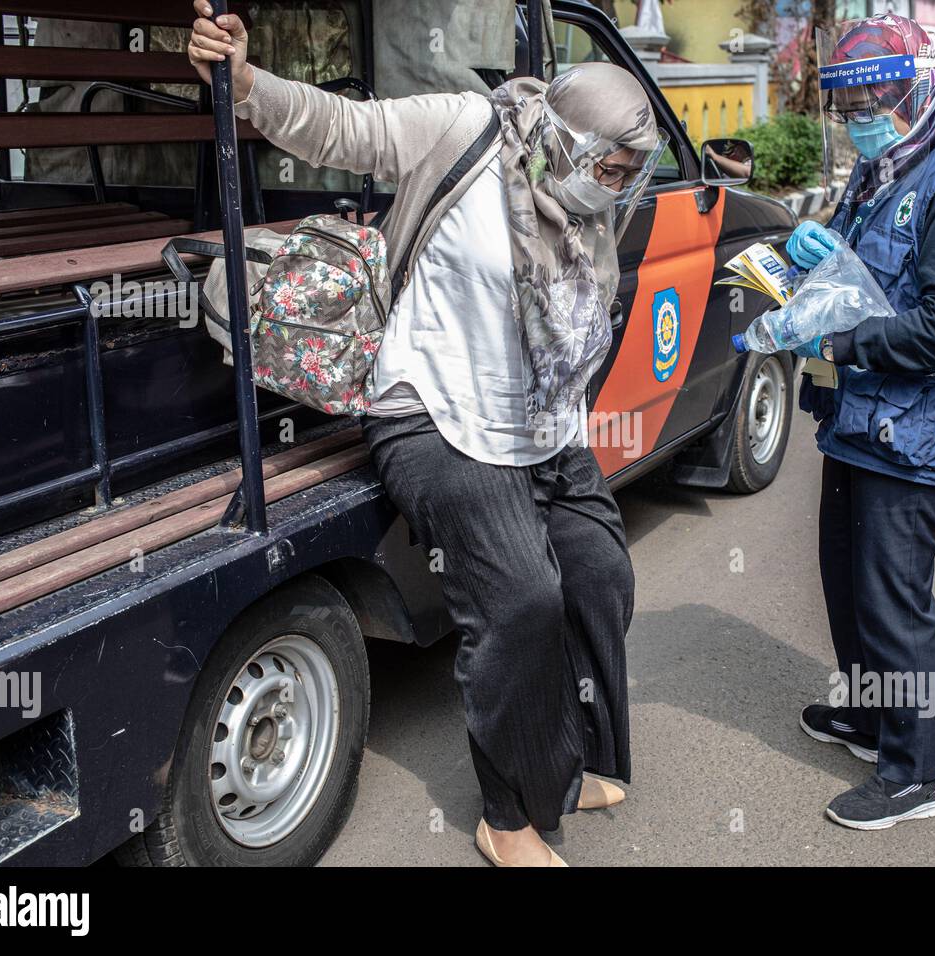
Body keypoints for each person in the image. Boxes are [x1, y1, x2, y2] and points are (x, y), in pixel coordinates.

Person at [188, 1, 667, 866]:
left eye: (631, 170)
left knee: (599, 575)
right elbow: (344, 129)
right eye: (610, 163)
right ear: (565, 138)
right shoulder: (465, 129)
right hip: (436, 412)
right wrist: (248, 83)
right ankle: (509, 815)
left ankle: (567, 760)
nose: (616, 182)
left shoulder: (592, 198)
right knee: (522, 602)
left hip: (543, 423)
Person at [785, 14, 935, 830]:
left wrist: (841, 341)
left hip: (914, 431)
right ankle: (873, 717)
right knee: (845, 581)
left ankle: (916, 773)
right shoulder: (883, 166)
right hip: (862, 415)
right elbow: (863, 261)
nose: (863, 114)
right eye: (850, 104)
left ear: (916, 88)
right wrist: (819, 253)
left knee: (893, 601)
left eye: (877, 97)